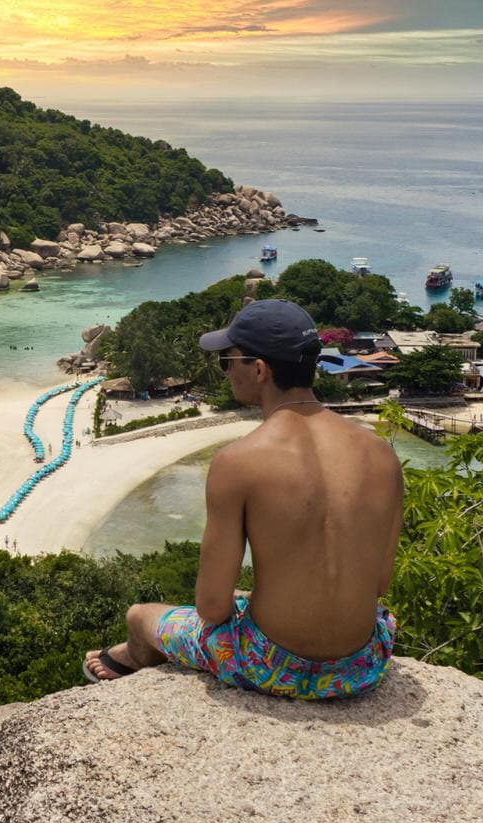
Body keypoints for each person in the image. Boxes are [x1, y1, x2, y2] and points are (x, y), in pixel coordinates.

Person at [83, 299, 403, 701]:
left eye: (227, 361)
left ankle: (130, 655)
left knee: (141, 615)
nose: (226, 371)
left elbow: (212, 609)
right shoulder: (381, 454)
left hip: (269, 664)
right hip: (361, 665)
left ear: (259, 369)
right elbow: (378, 584)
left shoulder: (238, 461)